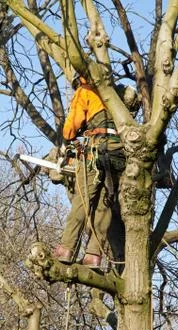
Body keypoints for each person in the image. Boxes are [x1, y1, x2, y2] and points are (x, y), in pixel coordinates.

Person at [53, 74, 125, 267]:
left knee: (82, 201)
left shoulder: (84, 91)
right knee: (105, 203)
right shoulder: (115, 95)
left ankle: (66, 249)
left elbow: (70, 129)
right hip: (119, 153)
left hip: (97, 151)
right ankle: (93, 256)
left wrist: (71, 135)